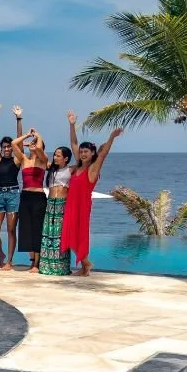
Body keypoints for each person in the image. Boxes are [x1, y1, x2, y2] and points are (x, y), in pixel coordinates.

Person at [61, 115, 123, 276]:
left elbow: (103, 154)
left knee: (79, 235)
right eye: (81, 152)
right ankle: (85, 264)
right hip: (71, 205)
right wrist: (72, 125)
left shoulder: (92, 169)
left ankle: (85, 265)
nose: (82, 154)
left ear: (92, 153)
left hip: (82, 206)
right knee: (68, 234)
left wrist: (111, 137)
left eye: (86, 151)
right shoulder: (78, 167)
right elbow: (73, 143)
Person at [0, 104, 23, 270]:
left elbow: (20, 143)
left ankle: (9, 261)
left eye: (9, 147)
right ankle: (0, 254)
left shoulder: (16, 160)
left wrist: (18, 119)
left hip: (13, 195)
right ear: (1, 149)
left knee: (10, 230)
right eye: (5, 147)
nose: (7, 149)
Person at [12, 127, 48, 273]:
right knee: (26, 229)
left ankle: (37, 264)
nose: (33, 144)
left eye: (35, 143)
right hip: (25, 197)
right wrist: (27, 135)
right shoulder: (24, 160)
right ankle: (32, 261)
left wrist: (38, 136)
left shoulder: (43, 160)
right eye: (31, 143)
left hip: (38, 197)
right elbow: (14, 143)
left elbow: (39, 147)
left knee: (37, 229)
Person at [38, 130, 74, 275]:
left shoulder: (71, 169)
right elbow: (40, 153)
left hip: (63, 204)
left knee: (61, 236)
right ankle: (47, 266)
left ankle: (61, 267)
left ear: (66, 158)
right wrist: (38, 136)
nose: (55, 157)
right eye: (55, 155)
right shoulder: (51, 169)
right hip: (50, 203)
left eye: (58, 155)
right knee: (48, 235)